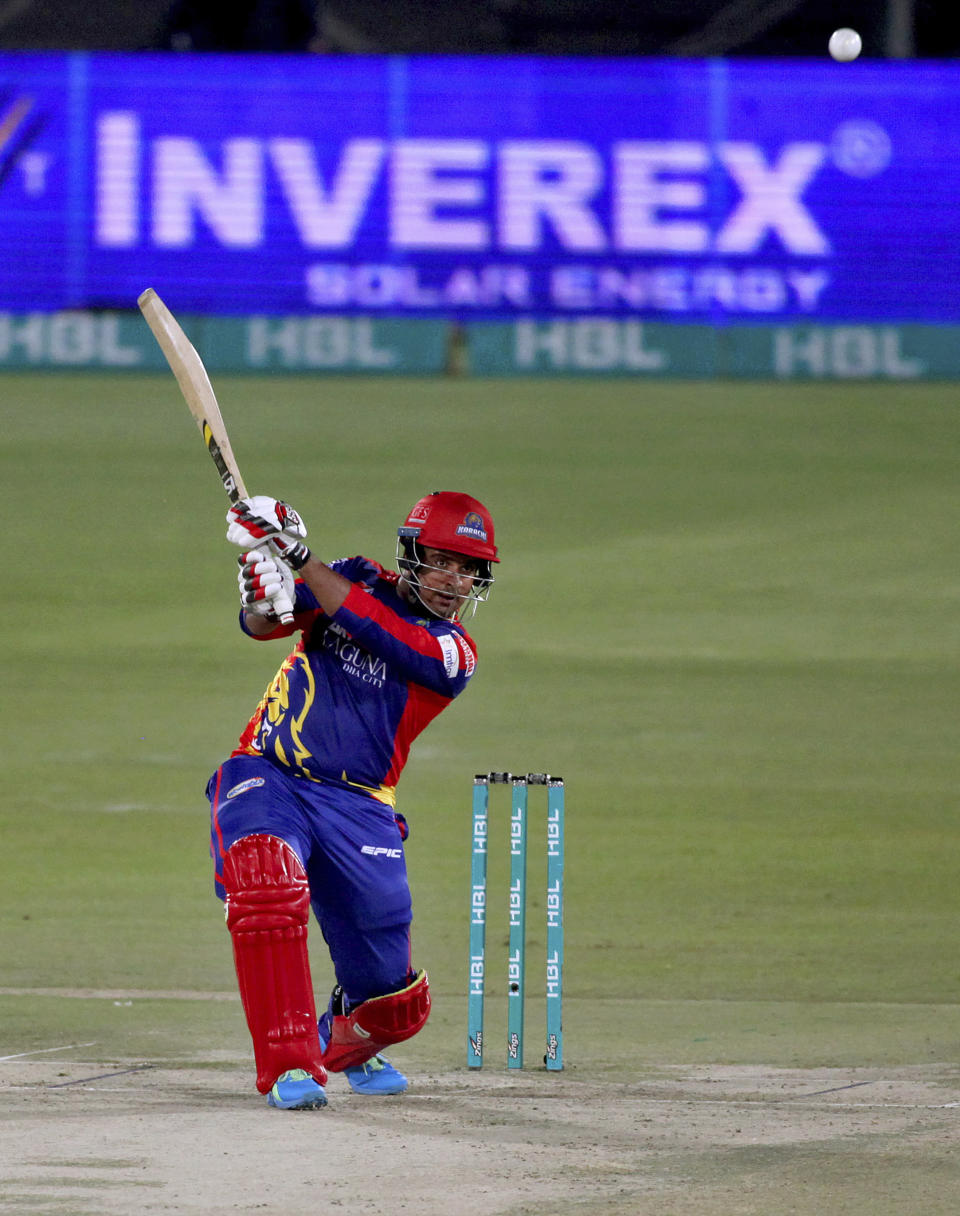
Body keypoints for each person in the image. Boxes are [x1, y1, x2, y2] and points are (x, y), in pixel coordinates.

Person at [206, 490, 498, 1109]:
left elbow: (383, 632)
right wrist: (265, 583)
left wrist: (301, 556)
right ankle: (289, 1066)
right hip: (270, 771)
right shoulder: (358, 575)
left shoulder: (455, 652)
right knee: (265, 878)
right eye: (442, 560)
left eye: (468, 568)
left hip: (360, 805)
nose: (454, 580)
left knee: (395, 1005)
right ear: (412, 554)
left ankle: (340, 1033)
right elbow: (266, 623)